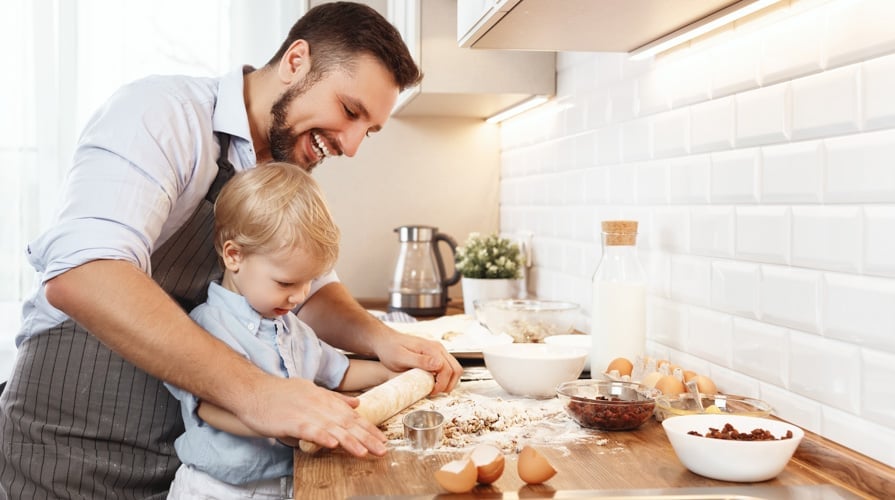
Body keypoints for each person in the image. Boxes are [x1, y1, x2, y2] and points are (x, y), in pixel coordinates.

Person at [0, 2, 462, 499]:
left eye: (367, 130)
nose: (350, 146)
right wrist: (259, 395)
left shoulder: (280, 171)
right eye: (350, 111)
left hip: (186, 464)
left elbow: (311, 292)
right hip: (71, 454)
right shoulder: (163, 114)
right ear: (295, 61)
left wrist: (382, 342)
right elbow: (85, 273)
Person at [166, 162, 400, 499]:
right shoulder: (208, 326)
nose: (301, 295)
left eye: (309, 281)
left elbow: (341, 371)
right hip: (219, 490)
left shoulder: (293, 329)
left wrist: (391, 374)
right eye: (286, 282)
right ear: (234, 256)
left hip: (285, 487)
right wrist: (280, 422)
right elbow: (209, 407)